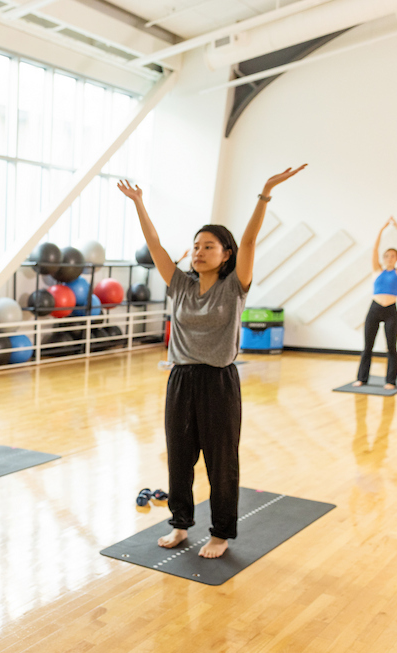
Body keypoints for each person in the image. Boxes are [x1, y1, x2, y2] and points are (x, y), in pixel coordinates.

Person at [118, 164, 306, 558]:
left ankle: (221, 533)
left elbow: (251, 241)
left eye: (209, 246)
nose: (200, 251)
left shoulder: (234, 287)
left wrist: (265, 193)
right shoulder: (180, 285)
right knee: (179, 459)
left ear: (227, 254)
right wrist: (139, 204)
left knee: (221, 463)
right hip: (181, 379)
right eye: (197, 245)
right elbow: (154, 245)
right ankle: (180, 525)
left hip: (219, 382)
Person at [353, 217, 397, 390]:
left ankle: (390, 381)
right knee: (367, 346)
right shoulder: (377, 271)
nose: (389, 258)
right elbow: (374, 249)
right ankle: (362, 378)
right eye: (387, 256)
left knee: (391, 347)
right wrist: (382, 230)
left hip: (391, 309)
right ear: (384, 259)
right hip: (375, 308)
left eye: (393, 256)